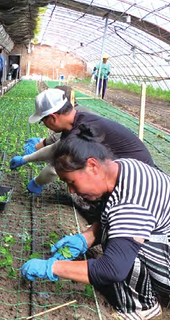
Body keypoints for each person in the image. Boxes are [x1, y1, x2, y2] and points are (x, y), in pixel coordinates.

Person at [21, 130, 170, 320]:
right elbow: (108, 219)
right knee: (116, 234)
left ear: (93, 166)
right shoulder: (120, 168)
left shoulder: (131, 203)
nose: (71, 190)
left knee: (121, 249)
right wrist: (84, 239)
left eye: (72, 182)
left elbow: (112, 269)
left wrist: (52, 267)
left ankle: (144, 306)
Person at [10, 88, 154, 222]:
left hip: (138, 181)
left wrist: (37, 182)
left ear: (53, 118)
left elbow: (58, 169)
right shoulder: (78, 121)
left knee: (108, 216)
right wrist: (25, 159)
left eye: (43, 121)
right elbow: (57, 148)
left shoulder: (82, 131)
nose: (45, 125)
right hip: (127, 169)